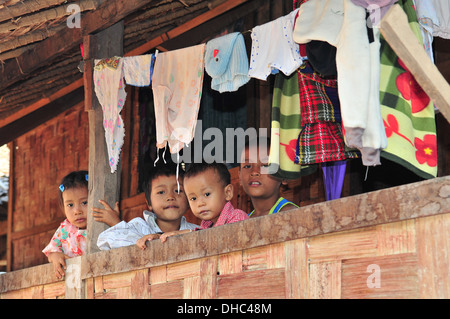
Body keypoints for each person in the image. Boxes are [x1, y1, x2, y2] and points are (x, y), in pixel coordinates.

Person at [96, 162, 198, 250]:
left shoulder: (195, 230)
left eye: (178, 191)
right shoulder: (139, 227)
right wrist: (151, 242)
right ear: (149, 203)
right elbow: (104, 240)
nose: (170, 197)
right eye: (161, 192)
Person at [160, 162, 248, 242]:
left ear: (227, 192)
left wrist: (189, 234)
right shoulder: (206, 226)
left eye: (207, 194)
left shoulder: (237, 217)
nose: (200, 203)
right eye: (193, 198)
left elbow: (224, 240)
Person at [42, 170, 89, 279]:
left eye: (84, 202)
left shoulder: (100, 223)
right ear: (63, 206)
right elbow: (52, 252)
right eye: (70, 205)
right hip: (73, 282)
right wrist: (55, 256)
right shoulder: (65, 229)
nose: (77, 211)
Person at [239, 136, 299, 218]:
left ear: (284, 176)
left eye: (265, 165)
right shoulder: (243, 220)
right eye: (247, 166)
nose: (254, 172)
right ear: (240, 178)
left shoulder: (290, 214)